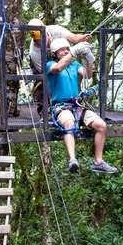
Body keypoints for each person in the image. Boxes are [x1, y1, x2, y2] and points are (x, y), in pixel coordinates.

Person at [48, 38, 117, 174]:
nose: (66, 51)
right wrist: (74, 51)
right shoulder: (50, 64)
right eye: (62, 50)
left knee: (101, 126)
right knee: (69, 123)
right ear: (54, 53)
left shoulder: (74, 65)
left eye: (67, 48)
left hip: (77, 105)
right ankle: (72, 159)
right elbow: (58, 68)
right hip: (61, 106)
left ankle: (98, 162)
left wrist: (88, 58)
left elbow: (88, 75)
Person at [28, 18, 95, 118]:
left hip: (59, 54)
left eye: (43, 37)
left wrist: (82, 39)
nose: (41, 41)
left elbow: (73, 37)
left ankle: (71, 101)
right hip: (44, 62)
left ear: (46, 32)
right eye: (38, 40)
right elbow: (46, 76)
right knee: (41, 83)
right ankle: (45, 112)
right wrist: (51, 99)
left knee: (64, 77)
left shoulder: (54, 30)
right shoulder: (35, 52)